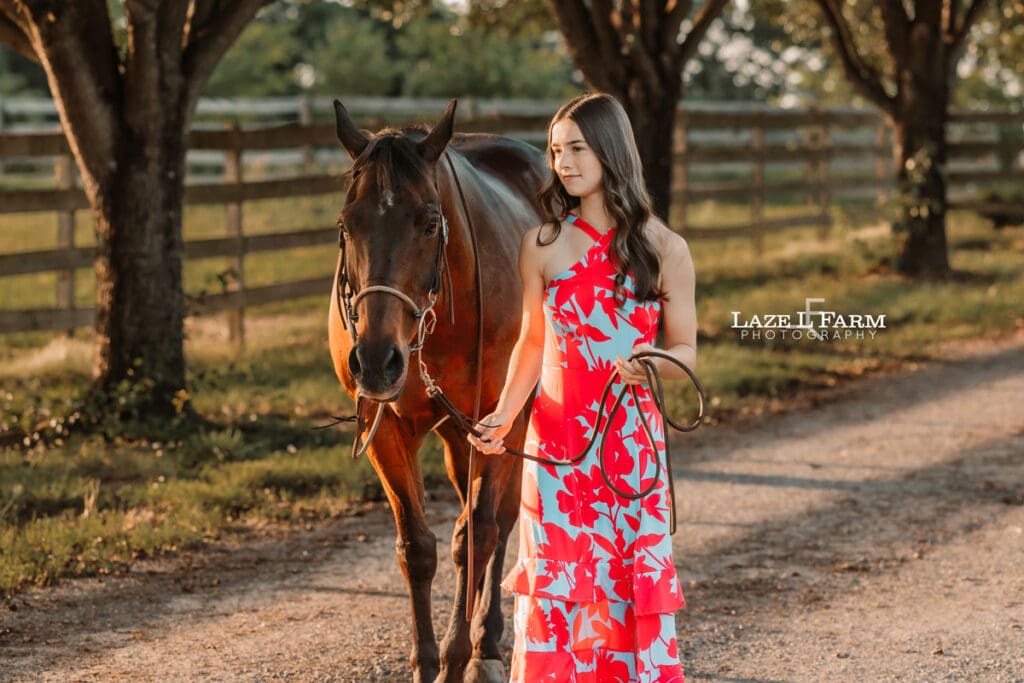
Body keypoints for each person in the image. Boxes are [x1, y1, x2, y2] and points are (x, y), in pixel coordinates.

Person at [468, 92, 698, 682]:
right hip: (558, 452)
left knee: (625, 584)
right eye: (554, 149)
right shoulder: (542, 246)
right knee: (560, 586)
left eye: (576, 147)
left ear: (611, 150)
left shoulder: (666, 249)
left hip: (631, 448)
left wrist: (652, 364)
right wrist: (501, 414)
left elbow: (686, 352)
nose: (562, 161)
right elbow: (532, 344)